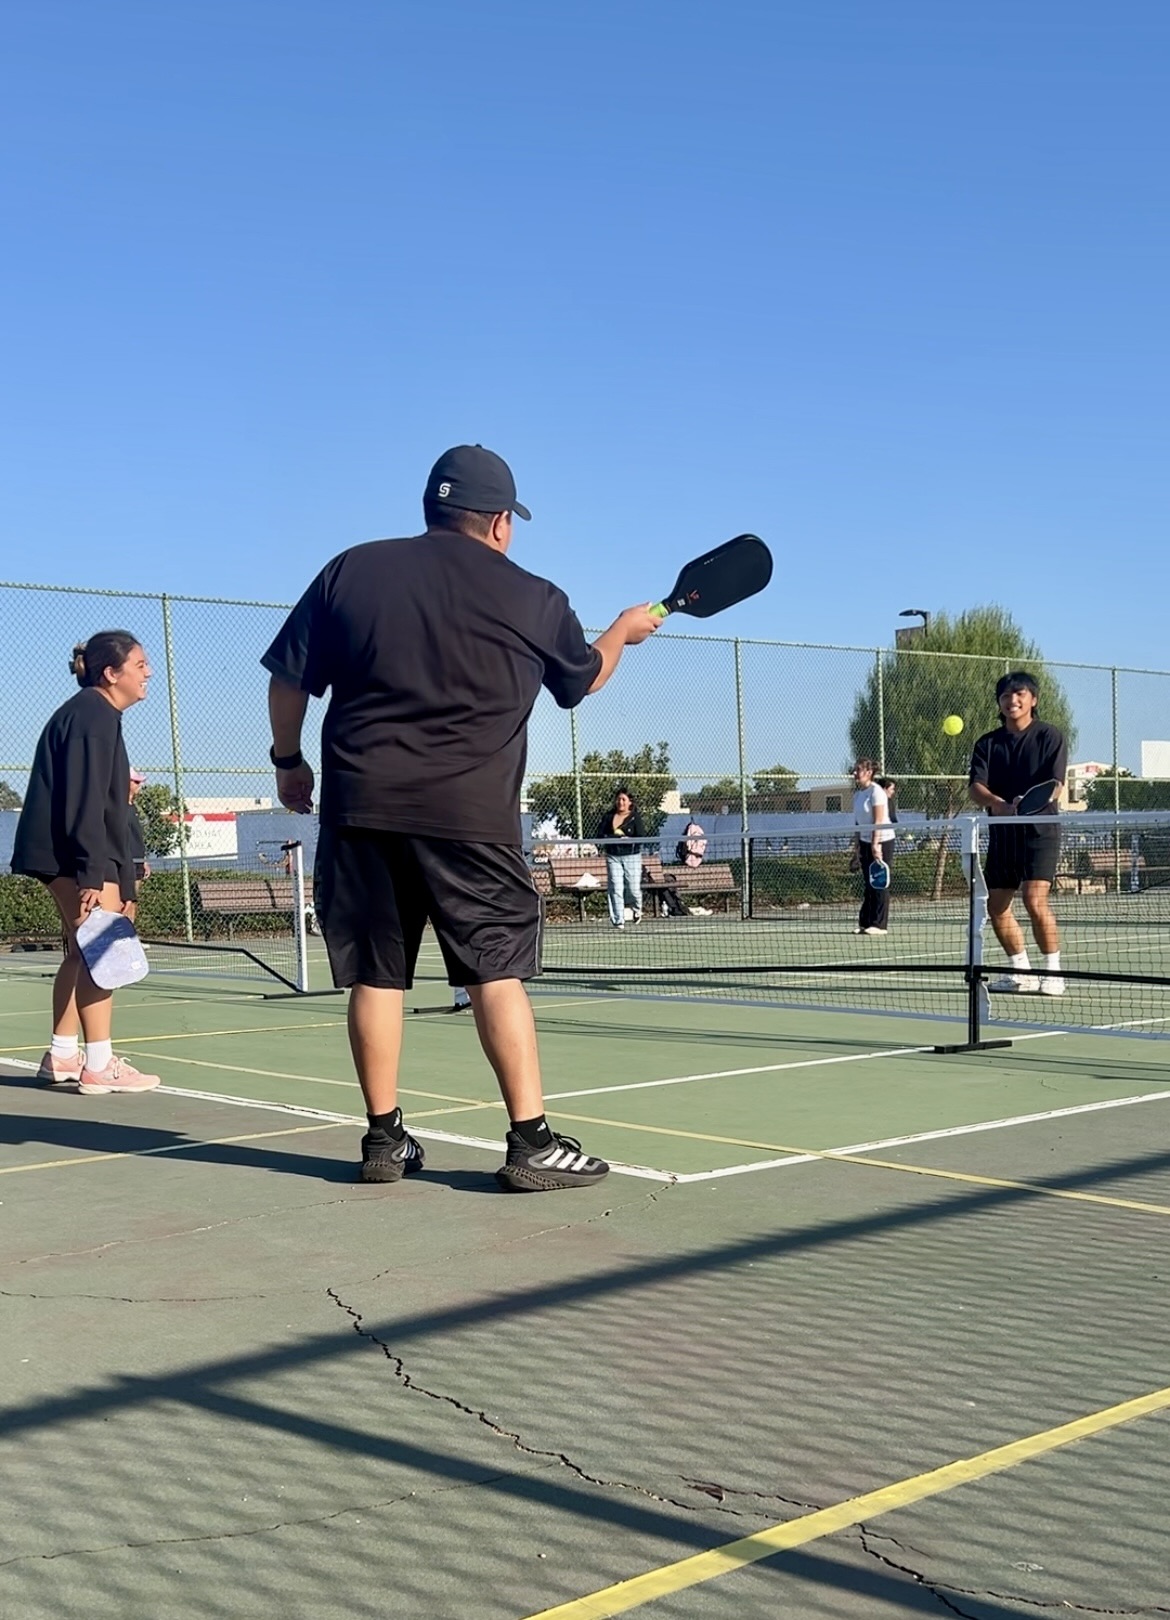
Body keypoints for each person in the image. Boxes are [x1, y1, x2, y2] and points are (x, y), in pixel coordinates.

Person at [262, 444, 659, 1190]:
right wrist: (620, 632)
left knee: (377, 977)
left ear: (431, 510)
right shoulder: (535, 596)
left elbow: (290, 682)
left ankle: (384, 1141)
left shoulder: (351, 569)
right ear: (501, 523)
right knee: (494, 972)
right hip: (470, 817)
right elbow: (585, 681)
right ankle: (532, 1142)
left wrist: (289, 761)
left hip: (360, 807)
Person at [11, 632, 161, 1095]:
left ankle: (62, 1055)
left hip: (62, 853)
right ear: (110, 674)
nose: (147, 672)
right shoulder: (94, 716)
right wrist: (93, 871)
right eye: (139, 664)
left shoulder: (96, 716)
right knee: (105, 950)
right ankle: (99, 1064)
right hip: (71, 856)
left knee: (83, 950)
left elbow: (100, 802)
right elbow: (85, 801)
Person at [969, 671, 1067, 996]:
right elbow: (976, 788)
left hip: (1041, 832)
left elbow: (1055, 785)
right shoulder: (987, 743)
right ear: (999, 703)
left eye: (1020, 694)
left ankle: (1053, 973)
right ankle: (1021, 972)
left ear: (1033, 699)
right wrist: (998, 804)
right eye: (1006, 696)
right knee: (996, 907)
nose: (1013, 701)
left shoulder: (1050, 736)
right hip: (1003, 834)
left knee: (1034, 900)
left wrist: (1032, 803)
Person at [852, 759, 894, 935]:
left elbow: (878, 821)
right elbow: (857, 823)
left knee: (879, 882)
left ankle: (879, 925)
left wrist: (876, 845)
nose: (855, 773)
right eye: (854, 770)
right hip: (864, 841)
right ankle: (866, 922)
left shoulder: (877, 792)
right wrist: (857, 848)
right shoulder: (857, 795)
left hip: (882, 840)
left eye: (858, 770)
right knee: (868, 884)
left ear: (869, 772)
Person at [595, 787, 646, 928]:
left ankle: (637, 909)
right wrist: (614, 838)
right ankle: (618, 920)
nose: (620, 802)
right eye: (618, 799)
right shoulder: (608, 817)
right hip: (613, 857)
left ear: (630, 802)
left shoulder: (635, 817)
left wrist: (627, 839)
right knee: (616, 888)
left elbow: (641, 836)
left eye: (623, 799)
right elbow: (599, 836)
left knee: (633, 888)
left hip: (632, 856)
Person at [125, 769, 150, 922]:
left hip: (137, 861)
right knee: (124, 901)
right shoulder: (118, 809)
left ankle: (131, 936)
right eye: (136, 781)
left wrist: (144, 860)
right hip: (125, 862)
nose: (140, 784)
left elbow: (136, 837)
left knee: (133, 900)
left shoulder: (133, 807)